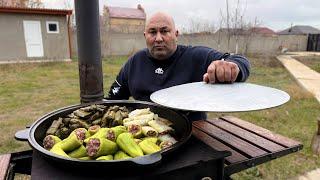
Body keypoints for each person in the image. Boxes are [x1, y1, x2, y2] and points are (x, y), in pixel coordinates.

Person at [105, 12, 250, 121]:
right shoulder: (134, 62)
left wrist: (232, 66)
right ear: (145, 36)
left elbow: (238, 60)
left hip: (193, 135)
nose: (159, 38)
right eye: (152, 32)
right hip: (143, 138)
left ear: (176, 34)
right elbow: (113, 100)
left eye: (165, 31)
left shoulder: (195, 56)